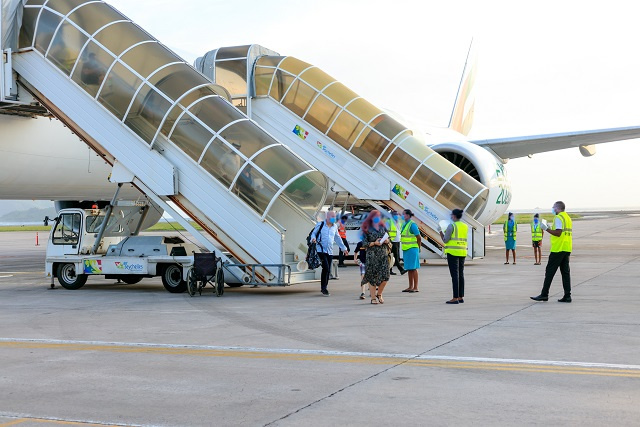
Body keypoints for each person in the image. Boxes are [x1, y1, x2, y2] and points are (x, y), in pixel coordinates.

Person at [531, 201, 573, 303]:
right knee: (565, 273)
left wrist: (547, 229)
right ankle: (567, 296)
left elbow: (558, 233)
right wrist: (550, 227)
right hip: (566, 248)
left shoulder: (558, 218)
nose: (552, 209)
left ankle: (544, 294)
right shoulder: (567, 217)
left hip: (558, 249)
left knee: (549, 272)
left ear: (557, 208)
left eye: (553, 207)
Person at [310, 211, 348, 296]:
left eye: (334, 216)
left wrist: (343, 248)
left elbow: (337, 238)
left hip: (329, 251)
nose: (334, 218)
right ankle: (324, 288)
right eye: (332, 216)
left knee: (327, 270)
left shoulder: (334, 226)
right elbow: (314, 233)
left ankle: (325, 286)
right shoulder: (320, 225)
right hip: (320, 250)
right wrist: (313, 239)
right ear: (327, 217)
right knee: (326, 268)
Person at [360, 210, 390, 304]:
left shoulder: (383, 227)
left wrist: (387, 241)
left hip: (383, 256)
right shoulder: (366, 228)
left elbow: (389, 239)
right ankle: (373, 297)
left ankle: (379, 294)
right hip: (372, 256)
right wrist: (374, 243)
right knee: (372, 277)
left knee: (386, 276)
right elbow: (364, 244)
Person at [440, 209, 468, 304]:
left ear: (454, 216)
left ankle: (455, 297)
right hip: (462, 252)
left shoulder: (451, 226)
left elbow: (445, 240)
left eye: (451, 215)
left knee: (454, 275)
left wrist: (440, 231)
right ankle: (460, 296)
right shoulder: (465, 226)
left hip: (452, 252)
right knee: (461, 274)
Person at [400, 209, 421, 293]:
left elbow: (418, 237)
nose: (402, 216)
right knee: (409, 268)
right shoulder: (404, 224)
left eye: (404, 214)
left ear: (408, 215)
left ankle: (415, 287)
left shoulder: (412, 225)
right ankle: (410, 286)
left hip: (412, 248)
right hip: (406, 249)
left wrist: (418, 247)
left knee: (414, 268)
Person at [388, 210, 406, 276]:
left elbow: (404, 221)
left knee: (393, 256)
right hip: (392, 241)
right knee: (395, 256)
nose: (396, 216)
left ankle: (390, 270)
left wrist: (400, 214)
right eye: (395, 215)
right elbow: (386, 230)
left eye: (397, 215)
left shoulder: (399, 221)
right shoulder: (389, 221)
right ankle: (401, 270)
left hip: (398, 240)